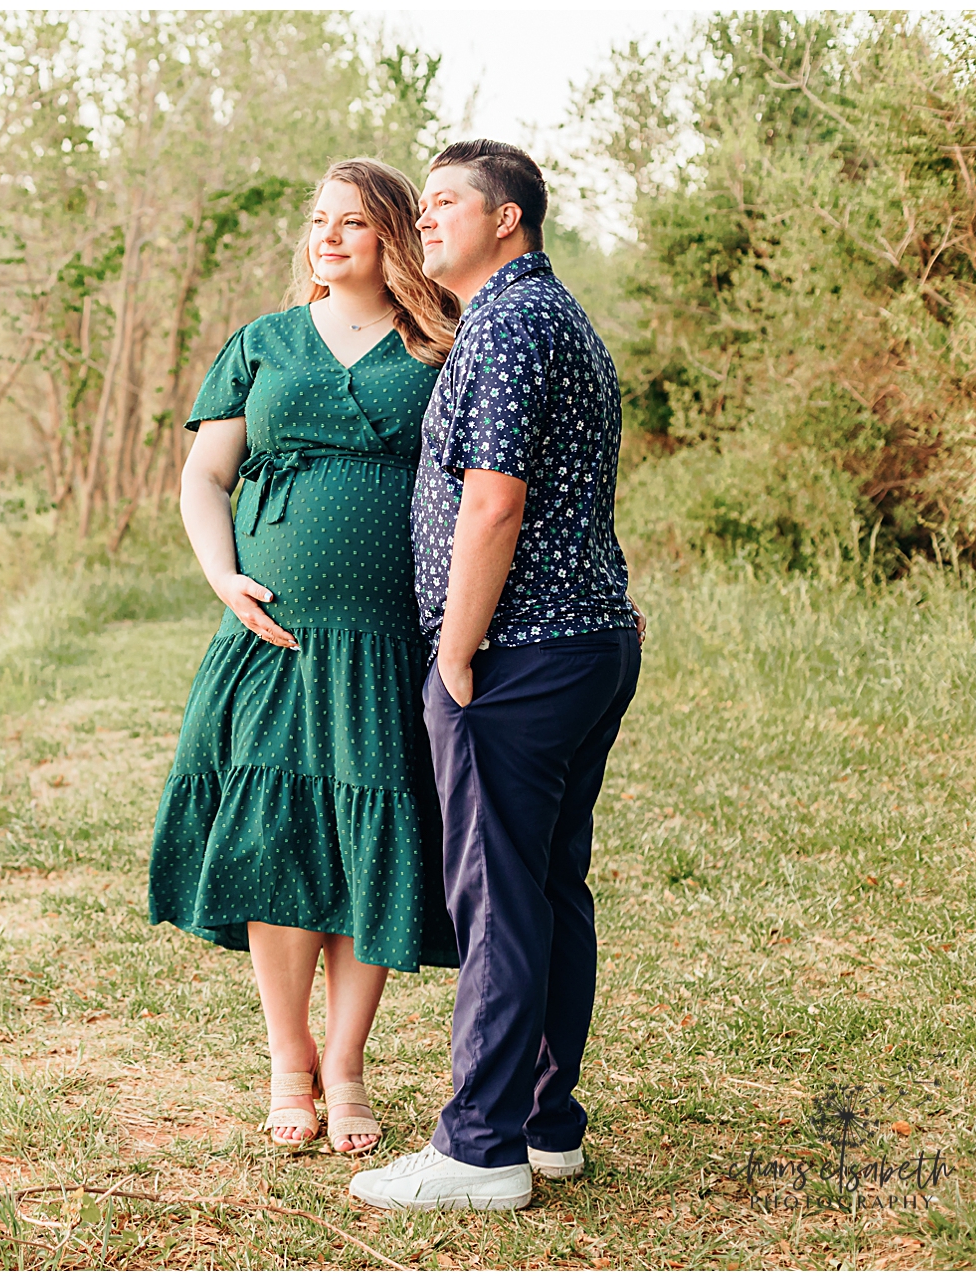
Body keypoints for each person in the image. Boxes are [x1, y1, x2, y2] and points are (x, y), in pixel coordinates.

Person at [349, 140, 644, 1211]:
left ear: (504, 218)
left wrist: (454, 650)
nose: (422, 222)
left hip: (518, 652)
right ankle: (543, 1124)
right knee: (548, 887)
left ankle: (479, 1148)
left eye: (441, 206)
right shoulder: (542, 315)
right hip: (581, 641)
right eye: (420, 207)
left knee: (498, 898)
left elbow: (493, 501)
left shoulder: (510, 324)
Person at [148, 157, 461, 1156]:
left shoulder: (436, 343)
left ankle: (346, 1065)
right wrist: (221, 577)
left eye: (354, 225)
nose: (327, 238)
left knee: (366, 843)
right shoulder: (265, 342)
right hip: (273, 634)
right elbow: (205, 475)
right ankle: (288, 1060)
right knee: (280, 842)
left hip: (384, 641)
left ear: (393, 240)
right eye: (319, 221)